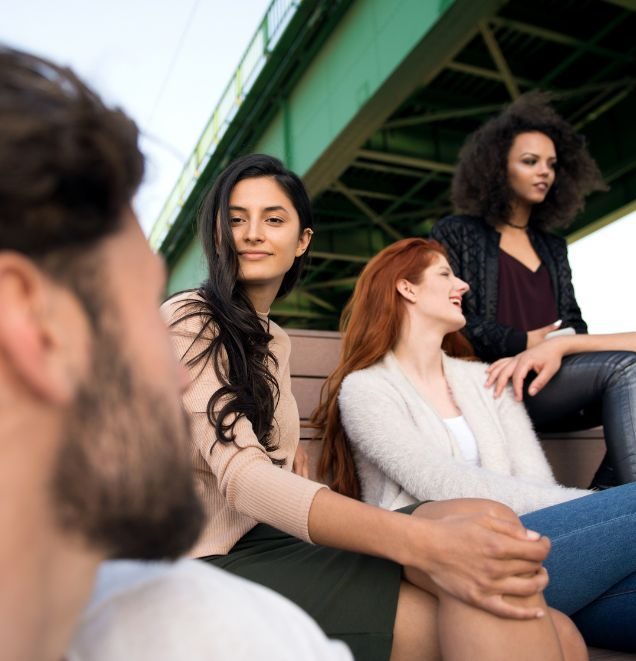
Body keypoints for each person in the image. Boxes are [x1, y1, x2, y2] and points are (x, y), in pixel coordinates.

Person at [0, 47, 350, 661]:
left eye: (274, 218)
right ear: (31, 321)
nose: (176, 371)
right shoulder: (203, 626)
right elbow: (243, 480)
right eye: (141, 309)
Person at [163, 153, 587, 661]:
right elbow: (241, 478)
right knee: (537, 626)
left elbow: (256, 463)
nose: (253, 233)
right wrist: (418, 542)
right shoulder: (189, 318)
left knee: (488, 520)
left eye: (273, 219)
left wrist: (286, 470)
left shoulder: (274, 339)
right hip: (199, 563)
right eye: (235, 218)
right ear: (216, 234)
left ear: (302, 241)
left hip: (268, 539)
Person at [315, 236, 636, 651]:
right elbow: (442, 484)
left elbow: (534, 480)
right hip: (443, 561)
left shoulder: (487, 381)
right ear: (406, 288)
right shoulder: (366, 389)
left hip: (535, 548)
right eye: (446, 274)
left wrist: (588, 513)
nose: (464, 285)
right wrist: (592, 506)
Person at [429, 92, 636, 489]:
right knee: (627, 367)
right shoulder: (457, 233)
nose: (545, 172)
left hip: (551, 379)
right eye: (530, 162)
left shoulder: (552, 247)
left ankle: (604, 505)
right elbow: (447, 320)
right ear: (497, 168)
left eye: (552, 164)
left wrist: (554, 345)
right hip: (490, 383)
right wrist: (524, 340)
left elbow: (573, 322)